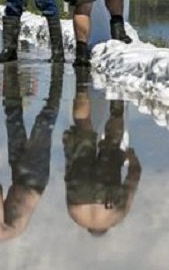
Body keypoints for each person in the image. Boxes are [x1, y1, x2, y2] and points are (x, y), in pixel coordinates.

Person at [0, 63, 63, 265]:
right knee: (44, 122)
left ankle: (11, 69)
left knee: (13, 118)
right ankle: (57, 75)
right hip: (33, 177)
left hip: (19, 175)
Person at [62, 69, 141, 236]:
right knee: (83, 126)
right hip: (79, 197)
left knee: (112, 143)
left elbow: (133, 178)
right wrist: (72, 149)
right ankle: (81, 86)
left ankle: (117, 102)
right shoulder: (77, 218)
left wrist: (130, 157)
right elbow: (69, 176)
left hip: (108, 200)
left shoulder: (114, 219)